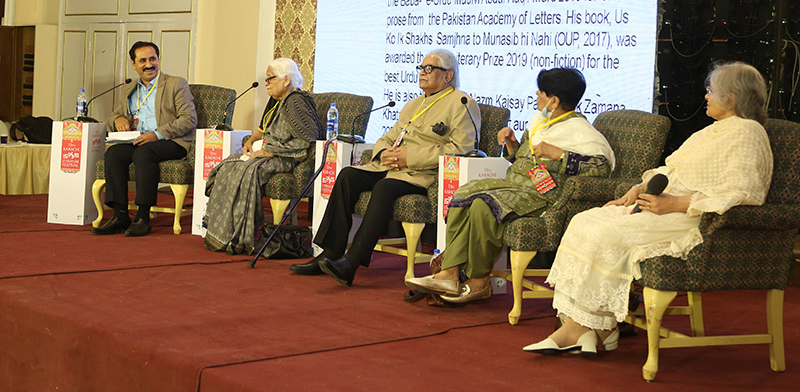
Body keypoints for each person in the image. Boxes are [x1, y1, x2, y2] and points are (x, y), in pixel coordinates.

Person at [523, 62, 773, 357]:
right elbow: (671, 170)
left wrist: (676, 203)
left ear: (731, 99)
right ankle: (586, 328)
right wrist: (639, 188)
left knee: (607, 233)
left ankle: (591, 330)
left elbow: (743, 193)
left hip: (692, 219)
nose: (706, 96)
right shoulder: (712, 131)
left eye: (711, 91)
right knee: (585, 221)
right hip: (660, 207)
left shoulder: (749, 133)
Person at [405, 68, 615, 303]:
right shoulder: (540, 122)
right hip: (515, 185)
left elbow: (602, 168)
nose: (537, 95)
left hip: (544, 194)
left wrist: (560, 155)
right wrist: (512, 144)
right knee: (464, 193)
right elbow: (522, 159)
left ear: (554, 101)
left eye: (541, 92)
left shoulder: (581, 132)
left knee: (483, 206)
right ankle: (450, 273)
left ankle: (478, 281)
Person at [291, 49, 480, 286]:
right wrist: (384, 153)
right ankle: (329, 253)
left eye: (429, 69)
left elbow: (460, 149)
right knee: (348, 176)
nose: (422, 73)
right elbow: (387, 137)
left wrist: (410, 157)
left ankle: (351, 262)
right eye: (421, 68)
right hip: (392, 167)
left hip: (422, 174)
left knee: (384, 187)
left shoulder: (462, 104)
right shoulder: (413, 105)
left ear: (448, 75)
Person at [203, 58, 323, 254]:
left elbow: (308, 140)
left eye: (270, 78)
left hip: (287, 158)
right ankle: (223, 231)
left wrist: (271, 151)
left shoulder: (296, 102)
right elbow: (262, 128)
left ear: (286, 80)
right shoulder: (277, 100)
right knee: (227, 166)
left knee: (245, 170)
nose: (266, 83)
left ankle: (240, 236)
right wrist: (251, 141)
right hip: (270, 152)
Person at [92, 41, 197, 237]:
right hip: (139, 140)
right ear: (133, 64)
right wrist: (118, 120)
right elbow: (114, 115)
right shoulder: (130, 88)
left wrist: (156, 134)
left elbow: (189, 119)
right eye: (143, 61)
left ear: (158, 59)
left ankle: (142, 217)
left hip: (171, 141)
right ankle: (120, 215)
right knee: (114, 153)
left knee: (144, 153)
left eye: (152, 59)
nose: (149, 65)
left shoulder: (175, 84)